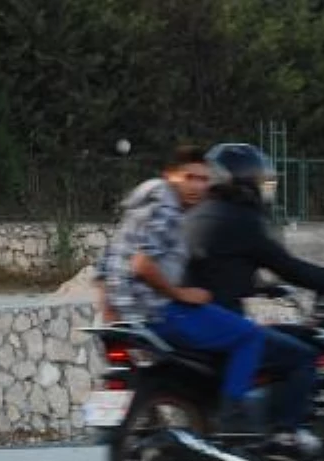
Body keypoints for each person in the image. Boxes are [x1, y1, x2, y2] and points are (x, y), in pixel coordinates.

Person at [183, 142, 324, 461]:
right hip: (223, 324)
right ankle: (287, 432)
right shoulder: (243, 221)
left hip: (197, 321)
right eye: (264, 182)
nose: (266, 189)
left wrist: (261, 285)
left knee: (286, 335)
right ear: (247, 182)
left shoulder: (196, 215)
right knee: (303, 355)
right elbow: (288, 266)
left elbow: (220, 264)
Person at [93, 145, 266, 433]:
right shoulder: (168, 209)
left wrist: (110, 310)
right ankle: (232, 418)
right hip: (159, 313)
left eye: (203, 179)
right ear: (170, 176)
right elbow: (142, 264)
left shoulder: (139, 207)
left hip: (126, 318)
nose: (197, 187)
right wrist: (181, 294)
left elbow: (104, 265)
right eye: (190, 177)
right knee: (250, 335)